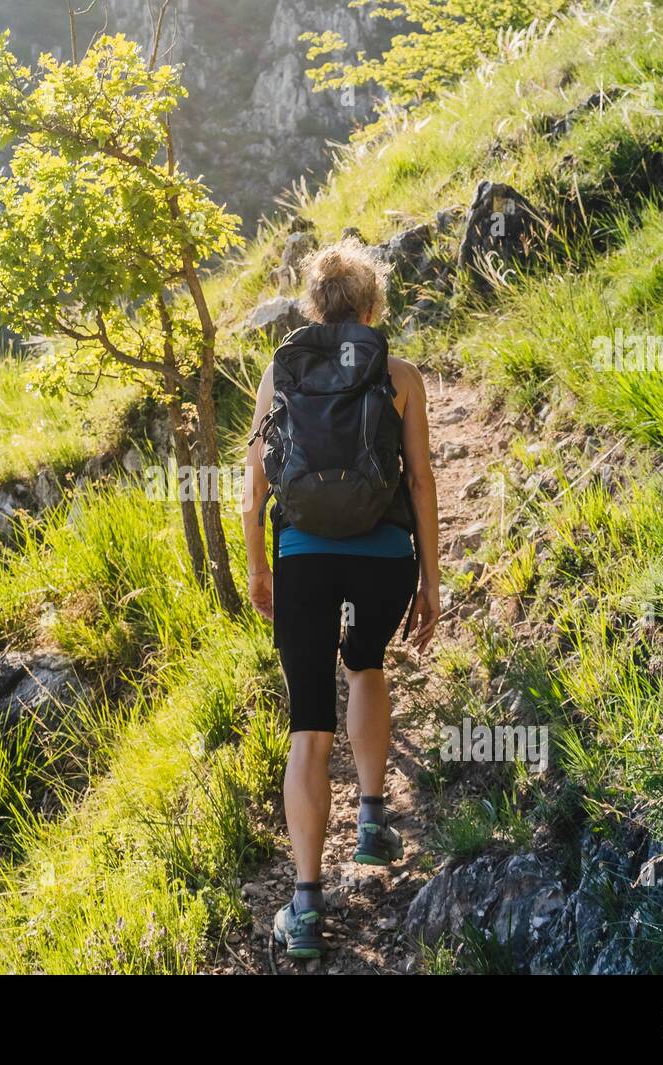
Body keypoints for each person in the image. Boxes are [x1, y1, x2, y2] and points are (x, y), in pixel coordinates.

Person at [241, 236, 441, 959]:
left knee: (308, 729)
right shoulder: (401, 374)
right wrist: (432, 583)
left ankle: (304, 905)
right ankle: (373, 819)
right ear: (370, 304)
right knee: (365, 664)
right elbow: (419, 483)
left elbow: (252, 492)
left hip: (302, 562)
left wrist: (260, 567)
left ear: (312, 305)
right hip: (384, 561)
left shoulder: (279, 372)